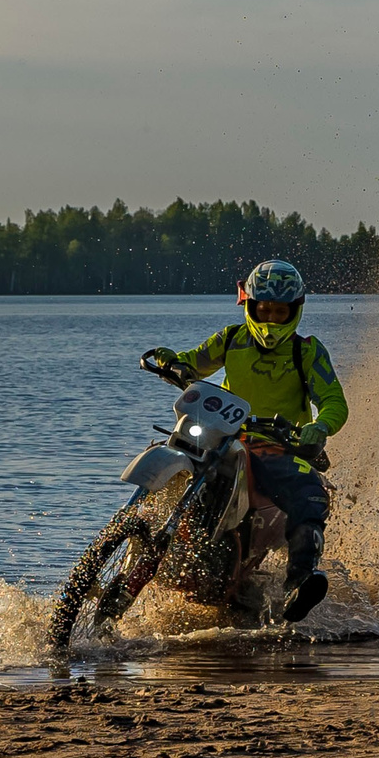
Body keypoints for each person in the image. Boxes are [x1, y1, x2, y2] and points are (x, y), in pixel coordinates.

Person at [146, 258, 348, 623]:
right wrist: (171, 361)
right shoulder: (231, 339)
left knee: (309, 493)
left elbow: (333, 401)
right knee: (169, 451)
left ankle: (298, 582)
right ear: (250, 306)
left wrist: (320, 427)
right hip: (222, 434)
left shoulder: (308, 352)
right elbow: (193, 363)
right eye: (264, 309)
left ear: (295, 311)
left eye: (280, 311)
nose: (271, 319)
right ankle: (139, 530)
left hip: (278, 446)